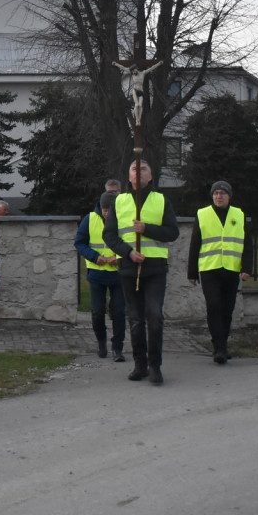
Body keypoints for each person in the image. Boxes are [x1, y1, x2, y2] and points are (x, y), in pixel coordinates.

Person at [103, 160, 179, 385]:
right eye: (134, 169)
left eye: (143, 168)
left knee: (154, 316)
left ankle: (155, 366)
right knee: (135, 319)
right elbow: (110, 235)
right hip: (128, 268)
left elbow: (172, 232)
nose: (139, 172)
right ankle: (140, 365)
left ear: (150, 175)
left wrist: (147, 229)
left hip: (155, 268)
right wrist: (128, 253)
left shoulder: (161, 200)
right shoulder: (120, 201)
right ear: (129, 177)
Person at [188, 181, 253, 364]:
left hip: (231, 269)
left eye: (222, 193)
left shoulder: (238, 215)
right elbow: (195, 243)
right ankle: (219, 347)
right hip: (209, 268)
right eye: (215, 193)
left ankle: (222, 344)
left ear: (229, 196)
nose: (218, 196)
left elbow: (247, 244)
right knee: (214, 306)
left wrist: (246, 268)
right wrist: (192, 272)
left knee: (227, 309)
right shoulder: (203, 214)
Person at [75, 191, 126, 361]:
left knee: (118, 312)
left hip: (119, 275)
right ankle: (101, 343)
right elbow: (79, 243)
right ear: (100, 207)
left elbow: (131, 243)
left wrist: (118, 258)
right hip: (96, 274)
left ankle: (117, 348)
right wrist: (95, 257)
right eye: (104, 210)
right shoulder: (89, 219)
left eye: (110, 210)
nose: (107, 213)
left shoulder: (123, 220)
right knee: (97, 312)